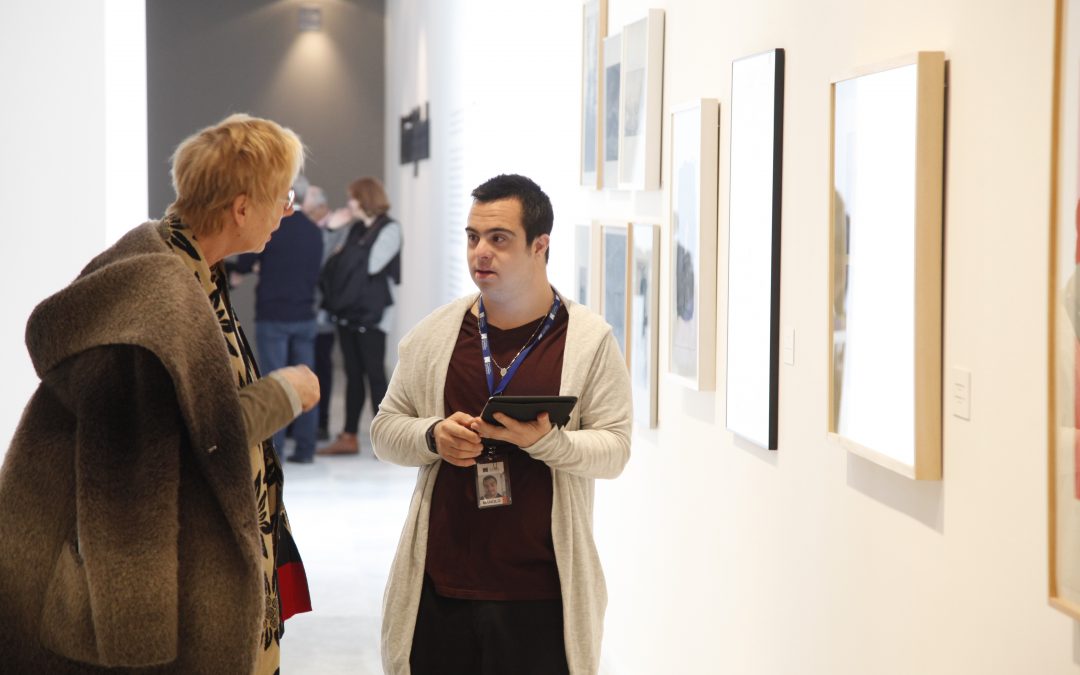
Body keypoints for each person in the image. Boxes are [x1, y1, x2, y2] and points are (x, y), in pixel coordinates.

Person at [0, 113, 319, 674]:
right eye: (281, 197)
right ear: (242, 208)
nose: (286, 212)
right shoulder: (158, 293)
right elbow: (166, 448)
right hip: (165, 592)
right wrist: (283, 395)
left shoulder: (190, 271)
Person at [371, 174, 631, 674]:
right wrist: (432, 436)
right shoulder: (436, 335)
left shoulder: (587, 341)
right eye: (472, 237)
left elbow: (616, 447)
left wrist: (549, 443)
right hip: (442, 587)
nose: (480, 253)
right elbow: (385, 430)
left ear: (540, 245)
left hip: (540, 594)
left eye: (498, 239)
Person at [232, 176, 325, 463]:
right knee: (307, 379)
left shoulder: (274, 226)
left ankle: (275, 450)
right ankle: (306, 448)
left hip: (272, 314)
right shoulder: (313, 231)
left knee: (276, 383)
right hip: (305, 313)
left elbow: (246, 262)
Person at [318, 177, 402, 455]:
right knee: (354, 375)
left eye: (353, 198)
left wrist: (349, 252)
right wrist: (332, 229)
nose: (349, 203)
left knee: (375, 376)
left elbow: (372, 265)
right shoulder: (353, 229)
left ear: (365, 198)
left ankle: (386, 439)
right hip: (347, 313)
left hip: (373, 316)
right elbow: (331, 261)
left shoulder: (389, 229)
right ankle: (349, 436)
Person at [304, 184, 349, 440]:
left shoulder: (338, 230)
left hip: (323, 313)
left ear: (320, 206)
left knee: (322, 367)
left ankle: (320, 423)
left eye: (307, 205)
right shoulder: (315, 229)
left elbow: (322, 264)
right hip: (305, 310)